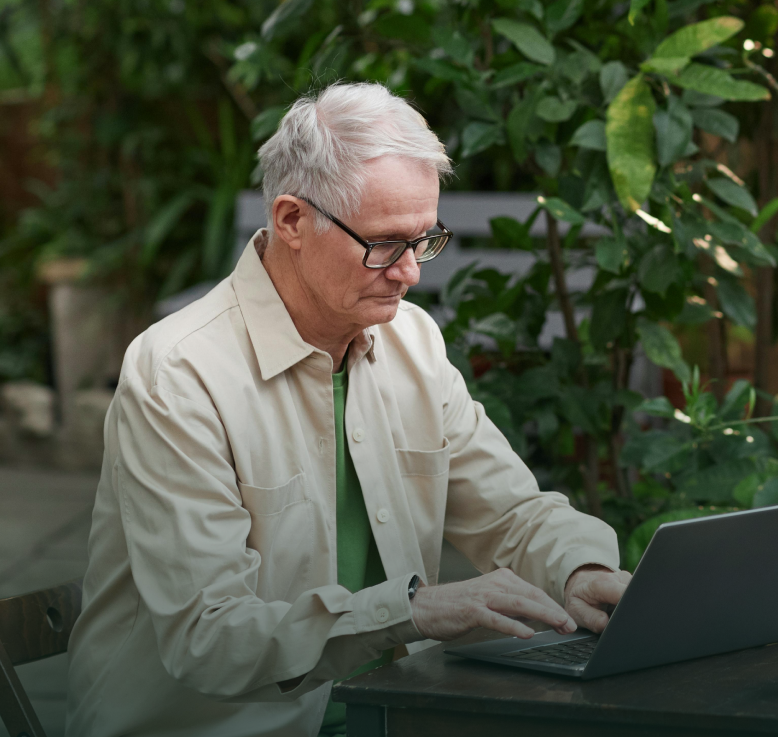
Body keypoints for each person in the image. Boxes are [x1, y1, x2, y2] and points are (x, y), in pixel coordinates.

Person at [67, 82, 629, 737]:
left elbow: (510, 511)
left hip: (390, 715)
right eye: (386, 243)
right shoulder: (178, 374)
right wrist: (414, 611)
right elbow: (209, 636)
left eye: (425, 240)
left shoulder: (411, 342)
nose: (411, 272)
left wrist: (580, 569)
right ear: (291, 222)